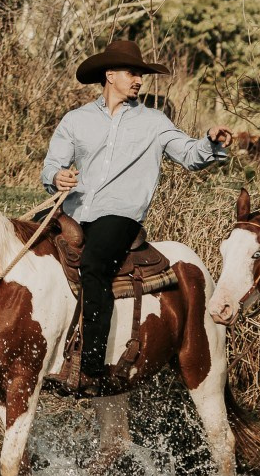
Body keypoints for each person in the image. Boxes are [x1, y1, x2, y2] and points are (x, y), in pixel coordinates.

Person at [42, 37, 236, 391]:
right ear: (110, 74)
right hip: (73, 211)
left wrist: (210, 141)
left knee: (95, 264)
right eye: (132, 73)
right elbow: (52, 165)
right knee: (32, 256)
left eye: (140, 75)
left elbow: (191, 155)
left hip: (118, 216)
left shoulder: (154, 122)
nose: (138, 80)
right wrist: (57, 176)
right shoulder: (76, 120)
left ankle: (91, 364)